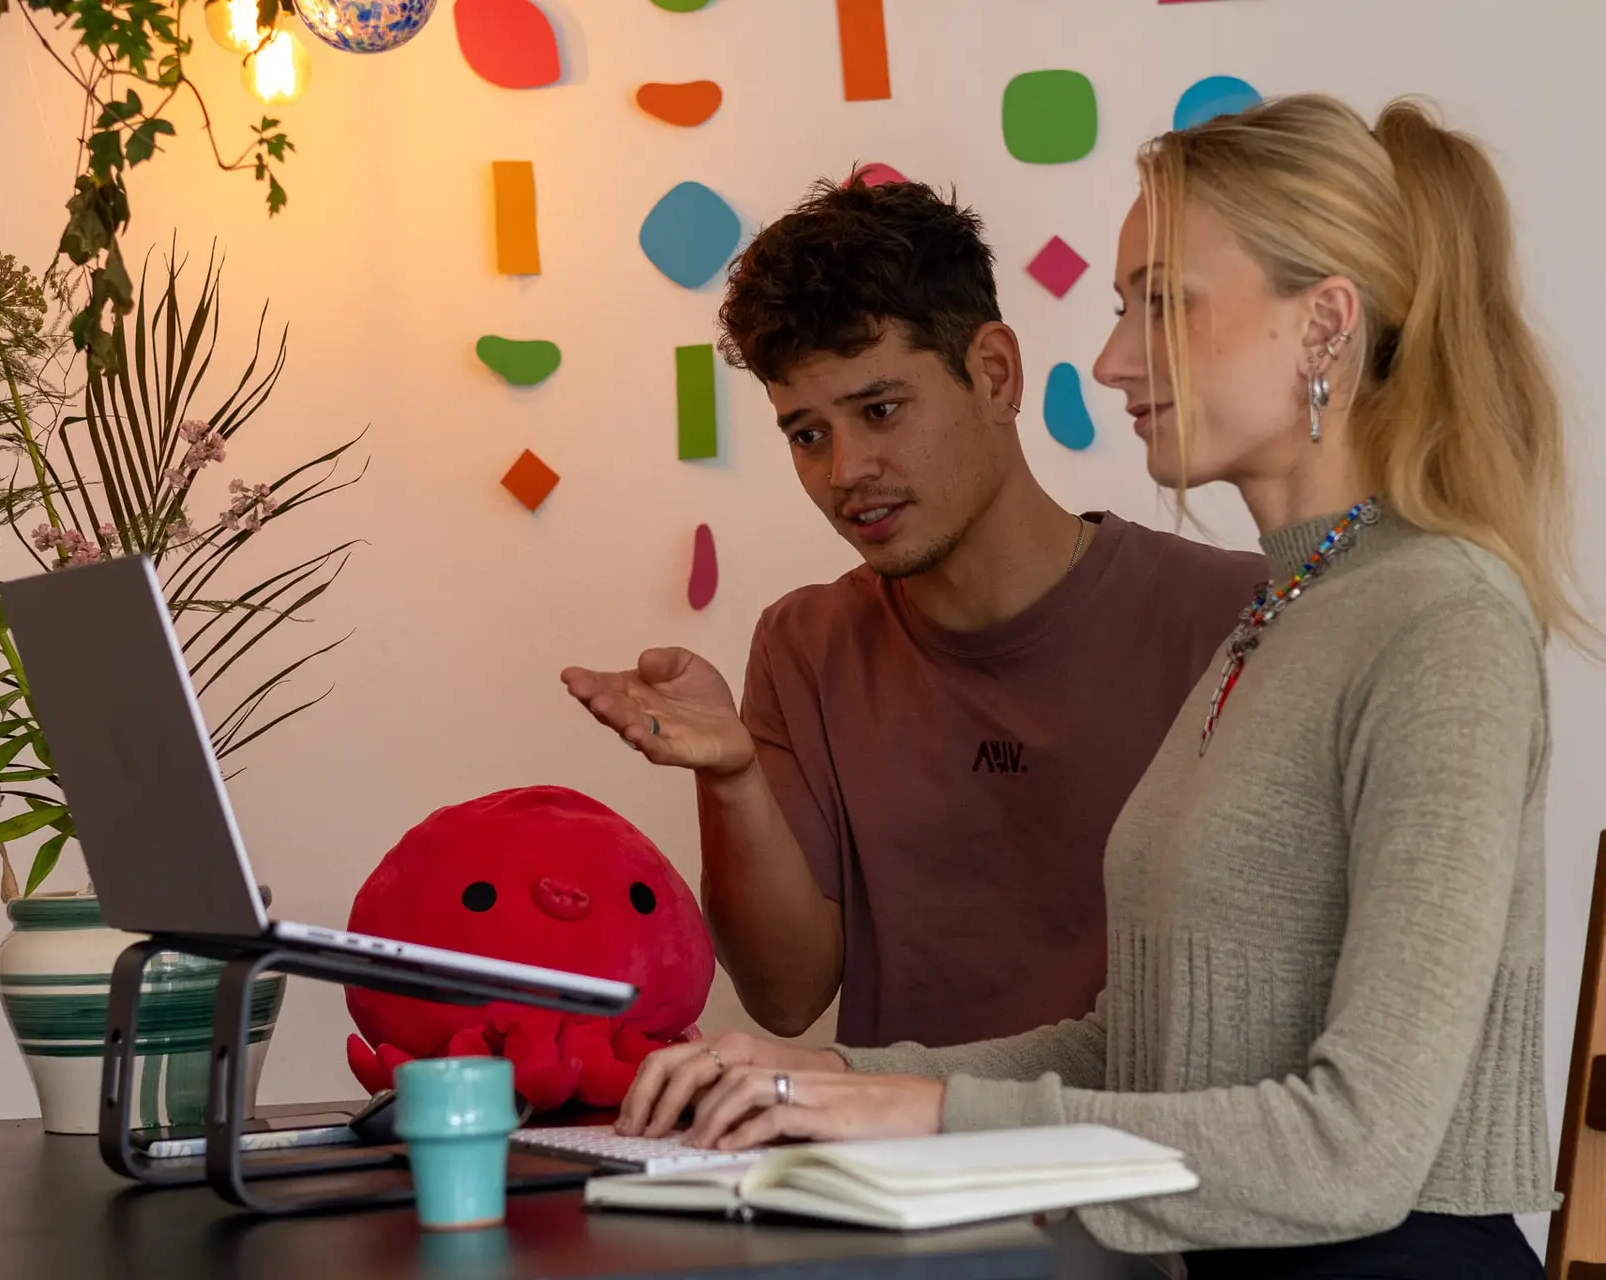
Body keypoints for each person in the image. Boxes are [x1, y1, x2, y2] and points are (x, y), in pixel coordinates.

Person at [613, 95, 1572, 1279]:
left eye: (1161, 303)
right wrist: (840, 1077)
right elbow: (1151, 1040)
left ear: (1324, 324)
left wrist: (929, 1117)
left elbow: (1360, 1145)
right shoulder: (1285, 609)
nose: (1115, 356)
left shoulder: (1442, 619)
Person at [562, 178, 1259, 1051]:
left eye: (880, 410)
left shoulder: (1240, 616)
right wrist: (730, 778)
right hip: (898, 1175)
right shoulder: (802, 645)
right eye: (806, 433)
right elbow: (785, 997)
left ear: (994, 375)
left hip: (1166, 1171)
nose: (846, 469)